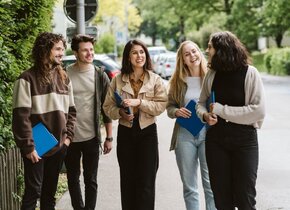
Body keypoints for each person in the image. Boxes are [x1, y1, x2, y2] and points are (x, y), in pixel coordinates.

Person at [196, 31, 266, 210]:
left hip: (245, 142)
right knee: (221, 199)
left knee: (246, 198)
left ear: (222, 49)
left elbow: (257, 111)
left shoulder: (251, 73)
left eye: (210, 46)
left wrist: (221, 110)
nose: (207, 50)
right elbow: (201, 103)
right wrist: (205, 115)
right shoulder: (211, 74)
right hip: (216, 142)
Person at [12, 32, 76, 210]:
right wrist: (29, 146)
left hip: (59, 144)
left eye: (63, 49)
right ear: (44, 50)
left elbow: (72, 111)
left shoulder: (65, 78)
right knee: (33, 193)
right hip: (37, 143)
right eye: (57, 49)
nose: (61, 53)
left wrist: (67, 139)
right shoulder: (26, 79)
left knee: (49, 195)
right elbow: (20, 117)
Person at [103, 39, 168, 210]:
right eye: (134, 52)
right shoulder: (118, 80)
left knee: (146, 182)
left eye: (142, 52)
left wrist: (139, 102)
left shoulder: (155, 79)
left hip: (147, 132)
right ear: (128, 57)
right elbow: (107, 106)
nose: (139, 56)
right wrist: (120, 113)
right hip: (126, 132)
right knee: (128, 180)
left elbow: (161, 105)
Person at [64, 34, 113, 210]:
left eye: (91, 49)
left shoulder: (100, 75)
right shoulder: (65, 74)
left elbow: (106, 108)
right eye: (85, 50)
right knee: (72, 177)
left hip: (92, 136)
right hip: (70, 137)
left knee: (91, 179)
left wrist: (109, 137)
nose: (89, 53)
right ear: (75, 52)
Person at [166, 40, 216, 210]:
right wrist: (176, 112)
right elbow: (169, 107)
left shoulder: (211, 76)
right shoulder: (177, 81)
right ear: (183, 60)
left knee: (210, 184)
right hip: (184, 134)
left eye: (194, 51)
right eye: (187, 54)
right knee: (189, 186)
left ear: (199, 53)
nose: (192, 56)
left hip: (208, 134)